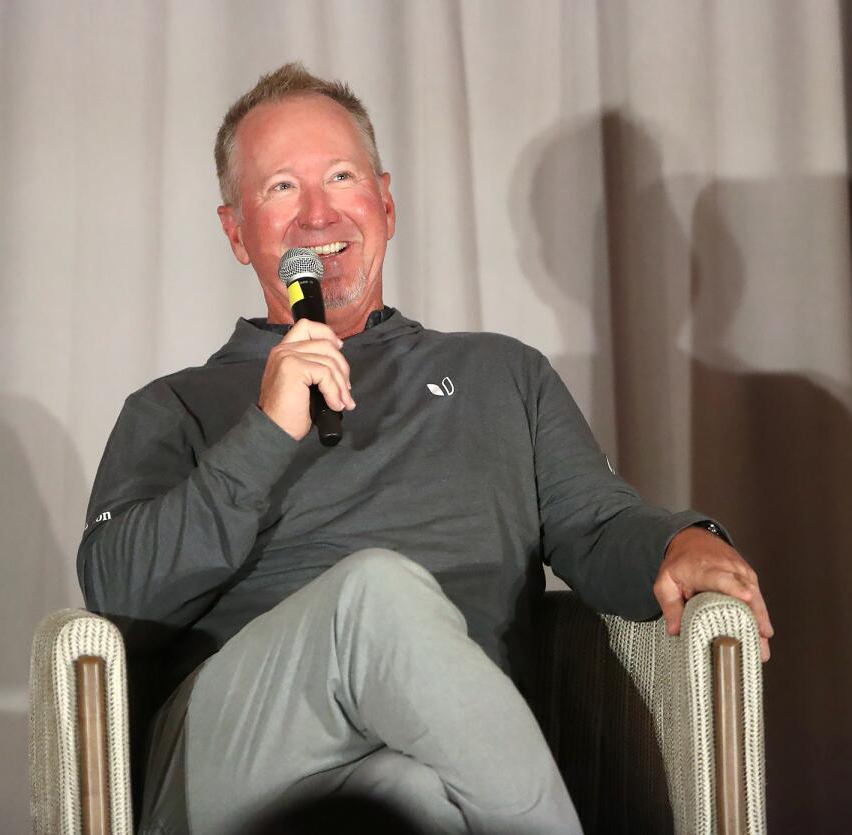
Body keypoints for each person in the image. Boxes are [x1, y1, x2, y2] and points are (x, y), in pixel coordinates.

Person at [78, 62, 773, 835]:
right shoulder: (173, 405)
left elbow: (600, 525)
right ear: (237, 231)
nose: (316, 214)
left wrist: (681, 539)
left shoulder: (500, 374)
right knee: (374, 594)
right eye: (280, 188)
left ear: (385, 203)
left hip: (438, 754)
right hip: (236, 752)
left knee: (417, 799)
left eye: (340, 177)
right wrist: (265, 434)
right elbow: (119, 593)